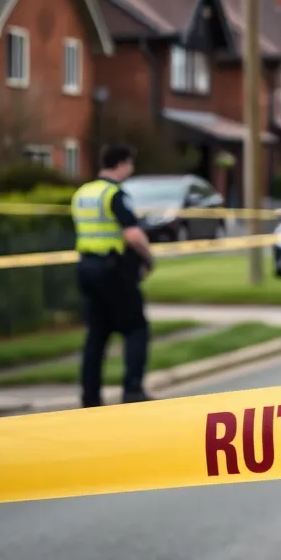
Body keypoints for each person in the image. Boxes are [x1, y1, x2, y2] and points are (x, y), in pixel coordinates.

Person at [70, 143, 155, 407]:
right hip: (113, 269)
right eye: (130, 164)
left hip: (86, 267)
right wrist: (149, 257)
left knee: (96, 334)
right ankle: (133, 389)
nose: (131, 170)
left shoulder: (83, 193)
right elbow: (133, 234)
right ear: (121, 164)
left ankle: (90, 398)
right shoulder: (114, 194)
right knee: (136, 327)